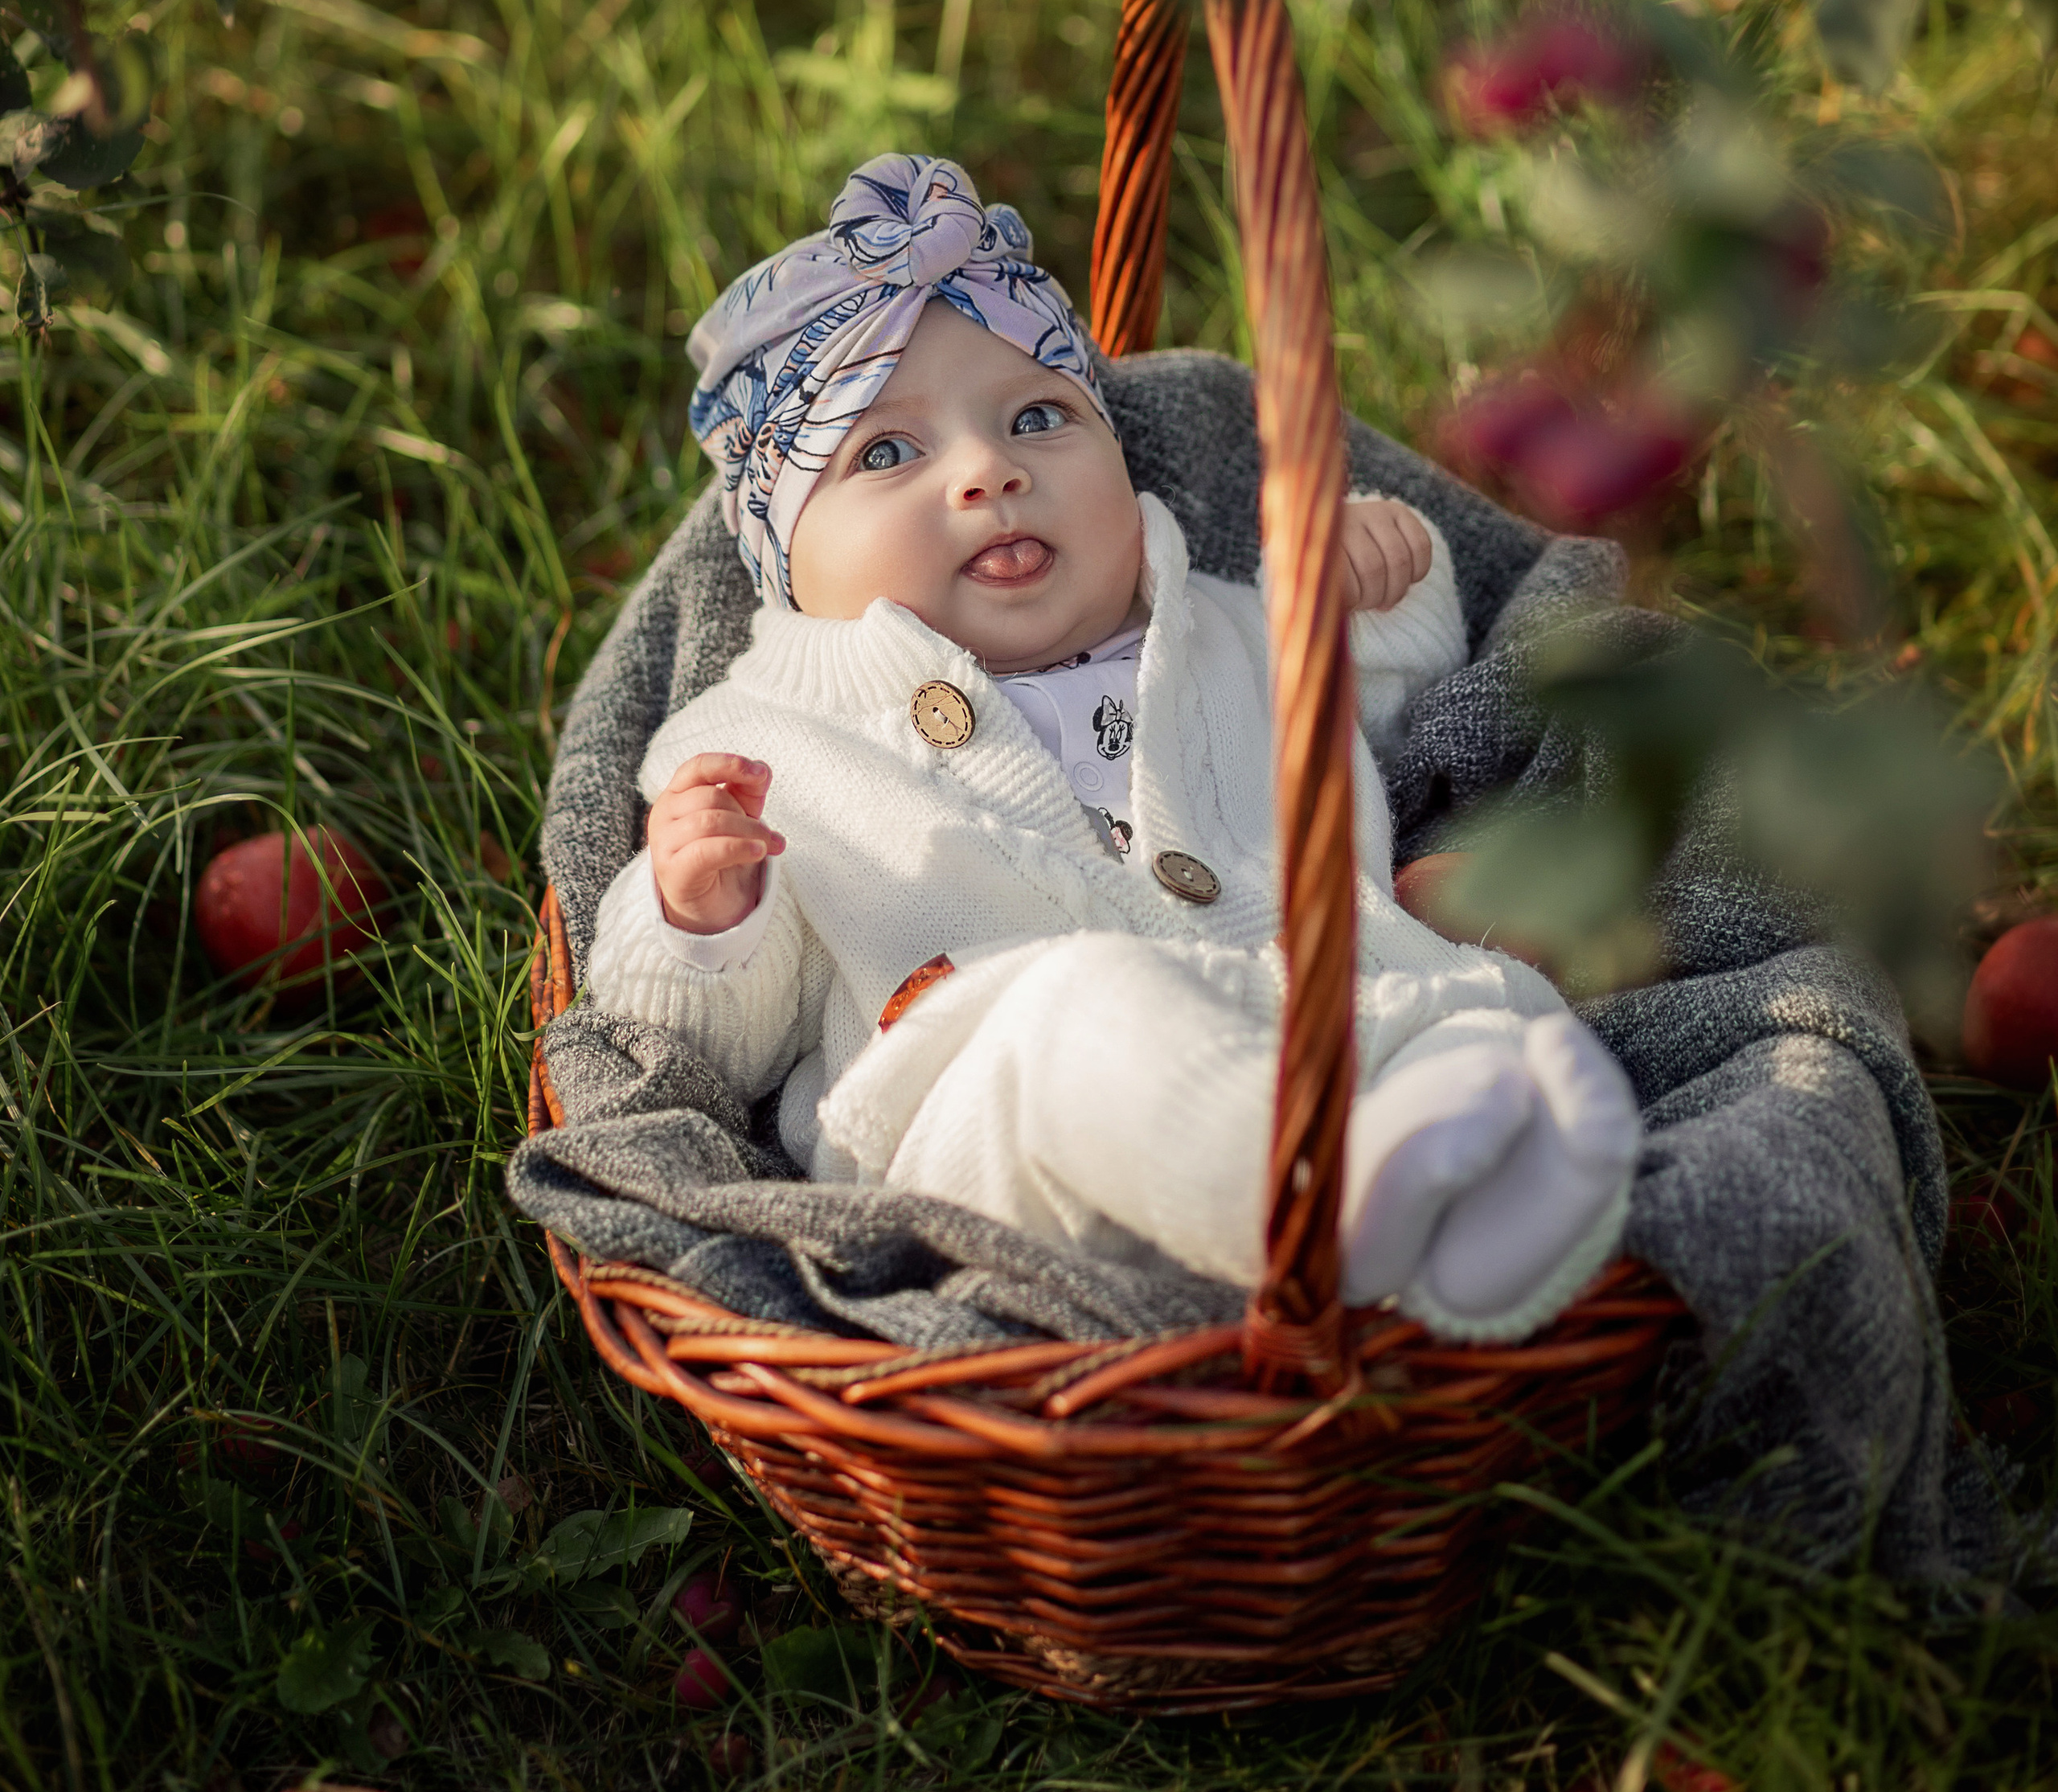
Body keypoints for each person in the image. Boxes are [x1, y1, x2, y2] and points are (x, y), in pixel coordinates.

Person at [580, 154, 1638, 1339]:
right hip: (979, 1118)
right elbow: (693, 1052)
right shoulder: (756, 744)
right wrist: (699, 918)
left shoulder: (1232, 624)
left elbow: (1396, 729)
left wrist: (1372, 586)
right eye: (886, 453)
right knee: (1085, 1009)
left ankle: (1476, 1206)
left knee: (1472, 1005)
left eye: (1040, 417)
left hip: (1328, 1009)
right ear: (782, 557)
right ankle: (1332, 1207)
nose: (990, 469)